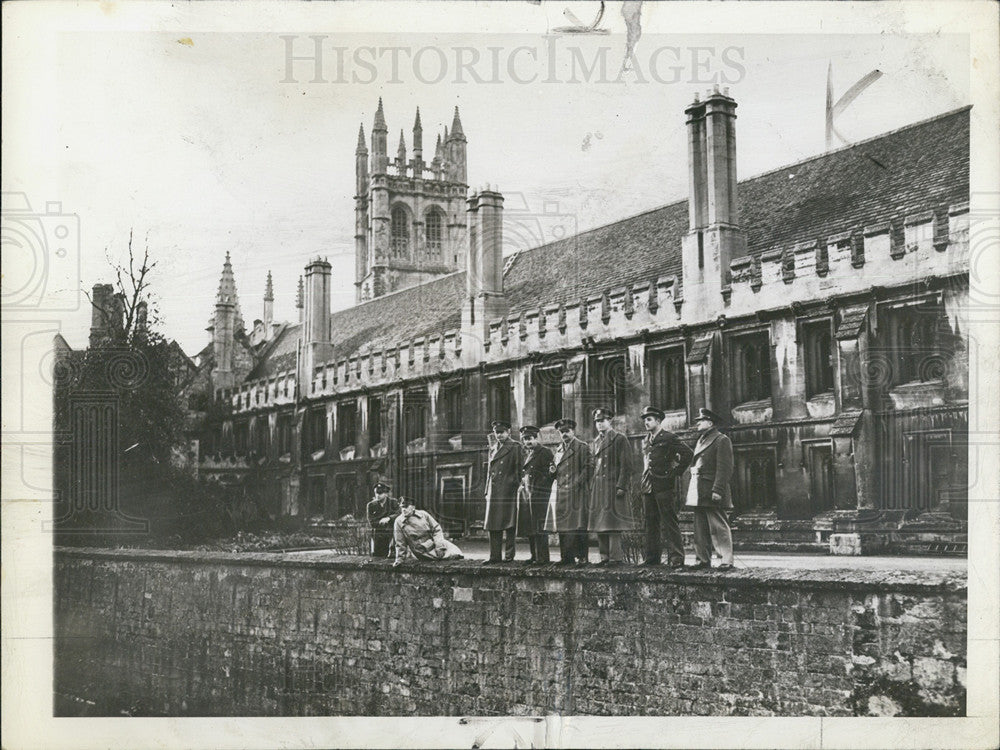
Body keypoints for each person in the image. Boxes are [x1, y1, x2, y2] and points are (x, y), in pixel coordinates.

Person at [639, 405, 694, 567]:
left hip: (664, 486)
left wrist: (675, 472)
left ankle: (676, 558)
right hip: (649, 486)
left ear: (658, 420)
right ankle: (652, 558)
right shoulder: (647, 439)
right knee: (651, 522)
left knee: (669, 521)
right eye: (645, 420)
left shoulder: (669, 437)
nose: (646, 423)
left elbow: (687, 454)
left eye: (649, 420)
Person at [685, 407, 735, 571]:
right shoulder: (701, 440)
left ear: (710, 423)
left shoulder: (721, 440)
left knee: (718, 527)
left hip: (712, 490)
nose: (698, 423)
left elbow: (725, 468)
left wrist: (718, 490)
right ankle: (702, 559)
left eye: (701, 420)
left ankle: (725, 560)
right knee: (700, 528)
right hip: (699, 491)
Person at [588, 407, 637, 566]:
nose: (600, 424)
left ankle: (615, 558)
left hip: (612, 486)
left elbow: (627, 465)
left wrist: (621, 486)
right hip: (599, 487)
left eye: (602, 421)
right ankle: (604, 557)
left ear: (610, 421)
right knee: (600, 523)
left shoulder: (619, 439)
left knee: (613, 523)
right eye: (597, 422)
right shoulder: (596, 442)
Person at [545, 418, 593, 565]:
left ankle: (582, 557)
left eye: (567, 431)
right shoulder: (559, 450)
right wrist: (552, 471)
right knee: (563, 526)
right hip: (561, 493)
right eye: (562, 432)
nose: (564, 434)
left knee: (579, 525)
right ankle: (566, 557)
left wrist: (577, 483)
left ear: (573, 431)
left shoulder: (582, 447)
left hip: (577, 492)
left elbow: (589, 467)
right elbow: (555, 472)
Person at [483, 420, 524, 563]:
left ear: (508, 432)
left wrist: (517, 485)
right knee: (493, 524)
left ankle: (509, 556)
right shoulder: (493, 448)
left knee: (509, 523)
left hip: (508, 490)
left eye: (502, 432)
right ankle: (494, 556)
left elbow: (519, 469)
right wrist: (486, 490)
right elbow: (489, 471)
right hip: (494, 491)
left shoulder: (515, 446)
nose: (499, 435)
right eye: (496, 432)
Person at [516, 425, 555, 564]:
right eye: (525, 439)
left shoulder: (545, 452)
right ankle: (534, 556)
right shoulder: (528, 453)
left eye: (530, 438)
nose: (527, 442)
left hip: (539, 495)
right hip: (527, 495)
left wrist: (540, 488)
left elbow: (550, 474)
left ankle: (542, 558)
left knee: (539, 527)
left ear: (536, 438)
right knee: (530, 526)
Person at [392, 497, 464, 566]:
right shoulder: (399, 521)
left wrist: (439, 546)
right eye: (402, 507)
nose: (403, 510)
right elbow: (400, 543)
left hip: (435, 543)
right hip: (422, 550)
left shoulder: (423, 514)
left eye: (406, 507)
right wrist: (399, 559)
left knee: (457, 552)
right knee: (447, 558)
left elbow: (436, 529)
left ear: (413, 507)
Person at [366, 479, 399, 558]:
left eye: (380, 493)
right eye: (376, 493)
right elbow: (371, 522)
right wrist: (381, 522)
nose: (377, 495)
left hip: (392, 535)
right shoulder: (371, 505)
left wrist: (389, 518)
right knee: (377, 557)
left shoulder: (393, 503)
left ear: (386, 493)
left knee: (392, 557)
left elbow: (399, 514)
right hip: (378, 535)